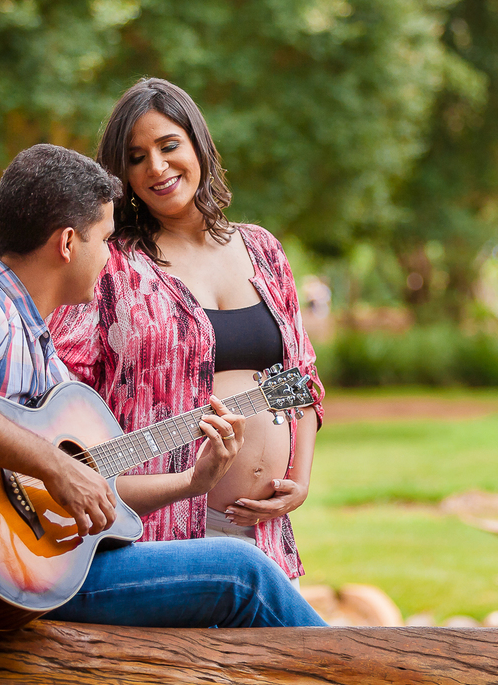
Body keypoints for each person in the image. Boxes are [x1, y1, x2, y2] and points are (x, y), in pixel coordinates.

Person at [0, 143, 325, 627]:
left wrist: (193, 483)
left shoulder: (43, 354)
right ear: (68, 243)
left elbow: (94, 484)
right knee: (243, 574)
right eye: (105, 239)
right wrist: (54, 467)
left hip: (23, 573)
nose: (111, 256)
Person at [50, 78, 323, 585]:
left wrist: (299, 479)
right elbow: (54, 381)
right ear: (122, 175)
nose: (156, 167)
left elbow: (302, 377)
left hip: (264, 533)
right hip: (160, 534)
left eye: (169, 145)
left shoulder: (262, 249)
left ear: (198, 143)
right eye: (136, 157)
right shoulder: (112, 267)